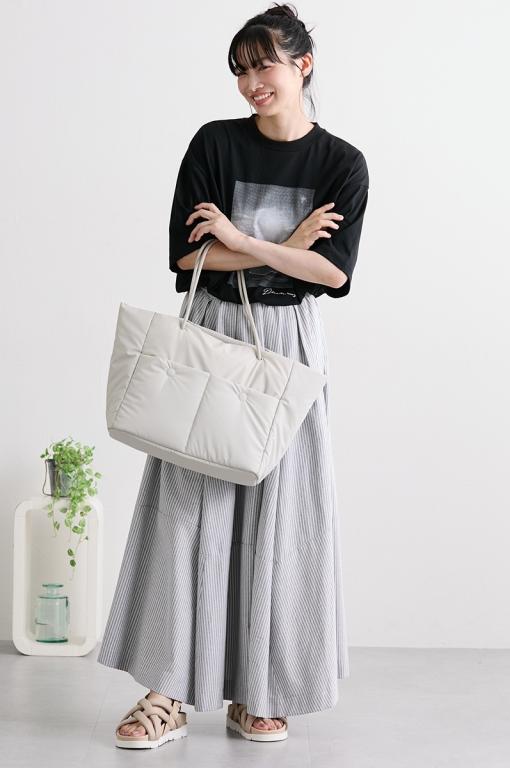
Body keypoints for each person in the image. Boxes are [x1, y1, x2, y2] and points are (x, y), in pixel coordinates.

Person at [97, 2, 369, 748]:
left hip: (290, 346)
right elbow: (189, 256)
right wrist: (286, 245)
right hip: (212, 332)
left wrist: (242, 240)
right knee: (190, 510)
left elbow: (332, 274)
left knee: (283, 516)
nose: (252, 83)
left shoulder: (341, 163)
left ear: (302, 65)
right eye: (241, 71)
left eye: (264, 65)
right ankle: (167, 693)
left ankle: (259, 690)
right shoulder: (215, 143)